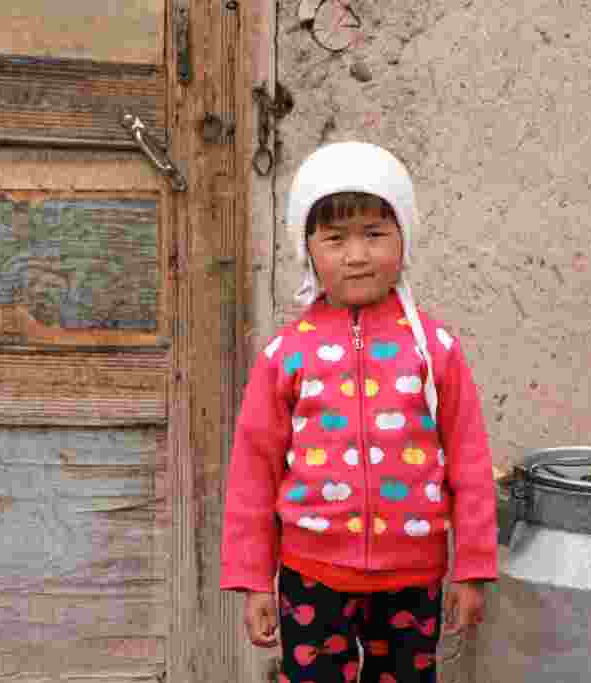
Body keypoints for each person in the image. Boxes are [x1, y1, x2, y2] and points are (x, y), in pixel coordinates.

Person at [220, 141, 497, 683]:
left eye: (375, 234)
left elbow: (469, 459)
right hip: (310, 576)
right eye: (335, 238)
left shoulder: (434, 348)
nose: (357, 255)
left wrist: (473, 567)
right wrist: (255, 579)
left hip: (412, 577)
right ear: (308, 250)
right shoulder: (286, 354)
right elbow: (254, 472)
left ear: (404, 239)